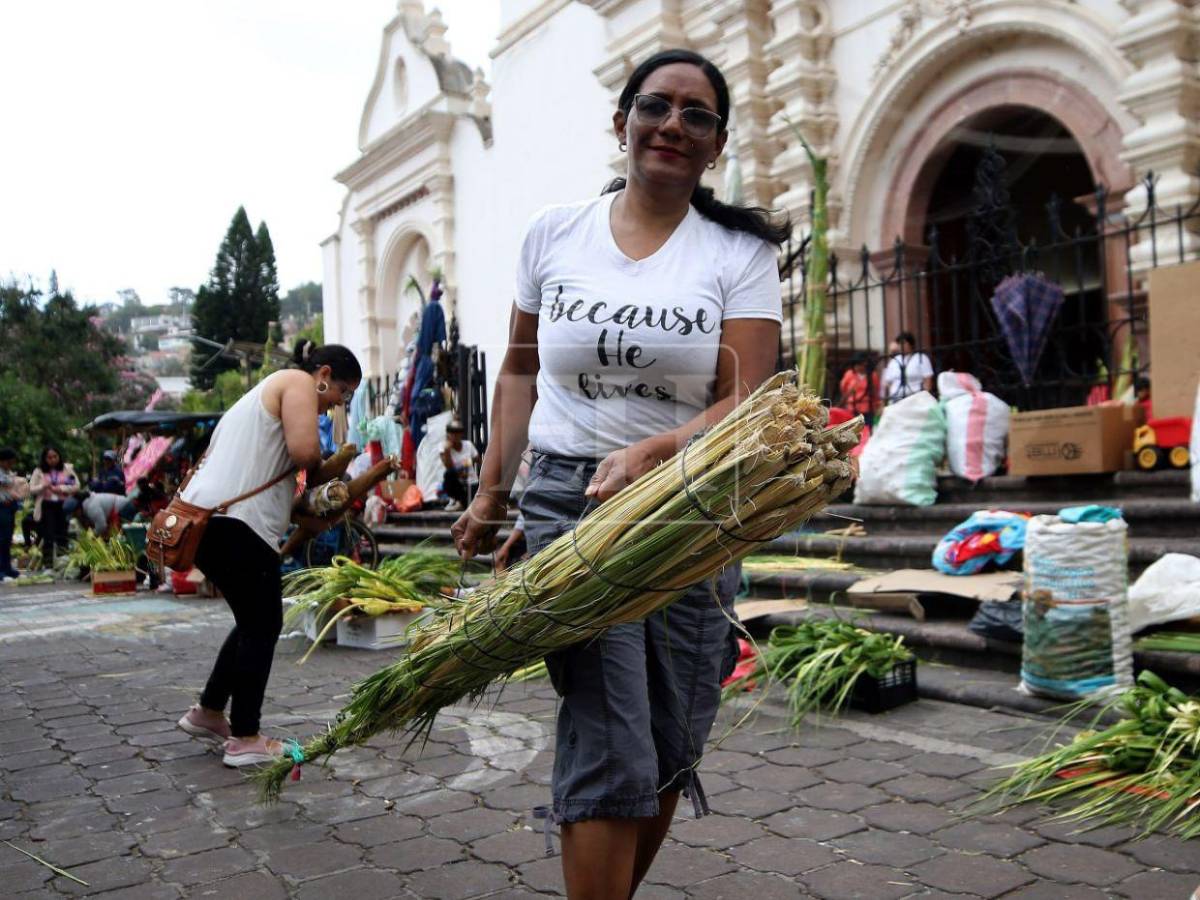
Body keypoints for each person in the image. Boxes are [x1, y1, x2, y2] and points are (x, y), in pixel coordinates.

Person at [450, 48, 785, 898]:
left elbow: (748, 402)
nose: (673, 124)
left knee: (671, 739)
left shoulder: (737, 253)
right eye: (655, 105)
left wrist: (658, 451)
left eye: (696, 115)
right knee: (610, 731)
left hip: (693, 508)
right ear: (622, 122)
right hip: (574, 499)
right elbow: (519, 371)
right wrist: (494, 492)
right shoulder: (553, 234)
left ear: (716, 146)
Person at [175, 339, 361, 767]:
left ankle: (207, 711)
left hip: (211, 520)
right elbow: (305, 455)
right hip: (236, 524)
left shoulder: (259, 396)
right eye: (342, 394)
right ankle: (245, 736)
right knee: (263, 623)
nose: (336, 406)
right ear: (325, 375)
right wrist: (327, 467)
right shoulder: (296, 382)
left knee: (251, 621)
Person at [29, 447, 78, 569]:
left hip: (63, 504)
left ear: (59, 457)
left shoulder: (67, 469)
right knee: (48, 534)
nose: (52, 460)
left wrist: (61, 488)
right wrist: (42, 486)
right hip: (46, 504)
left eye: (55, 456)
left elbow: (76, 485)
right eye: (49, 457)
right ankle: (49, 564)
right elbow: (31, 489)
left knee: (62, 533)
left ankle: (64, 562)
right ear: (45, 459)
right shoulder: (39, 471)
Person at [881, 331, 934, 404]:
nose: (901, 346)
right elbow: (888, 382)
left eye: (904, 343)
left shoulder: (921, 358)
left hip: (914, 398)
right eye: (899, 344)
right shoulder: (894, 361)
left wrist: (924, 398)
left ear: (911, 344)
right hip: (896, 399)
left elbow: (928, 379)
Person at [0, 448, 27, 580]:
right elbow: (9, 483)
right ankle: (1, 570)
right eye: (9, 462)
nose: (11, 465)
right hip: (1, 506)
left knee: (7, 539)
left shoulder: (7, 472)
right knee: (2, 538)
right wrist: (16, 481)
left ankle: (7, 568)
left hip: (10, 506)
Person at [440, 420, 479, 512]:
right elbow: (448, 467)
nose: (455, 435)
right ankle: (457, 501)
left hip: (471, 482)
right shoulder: (444, 447)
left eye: (458, 432)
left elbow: (478, 459)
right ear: (448, 434)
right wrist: (447, 451)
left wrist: (464, 464)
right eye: (452, 432)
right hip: (457, 483)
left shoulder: (468, 445)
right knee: (448, 474)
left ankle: (462, 504)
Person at [838, 353, 878, 418]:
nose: (859, 367)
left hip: (867, 408)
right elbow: (843, 388)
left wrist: (876, 405)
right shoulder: (849, 374)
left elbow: (875, 391)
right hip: (852, 407)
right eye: (857, 365)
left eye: (861, 365)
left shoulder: (872, 375)